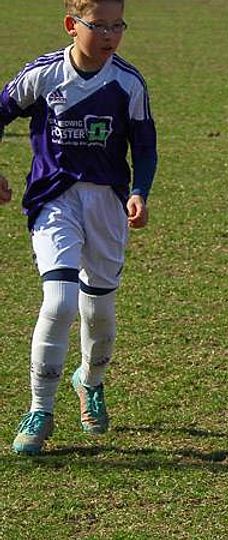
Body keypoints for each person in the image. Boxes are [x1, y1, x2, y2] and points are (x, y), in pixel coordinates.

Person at [1, 0, 158, 455]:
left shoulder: (128, 82)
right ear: (72, 25)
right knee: (59, 301)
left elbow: (145, 146)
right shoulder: (44, 74)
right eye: (99, 26)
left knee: (99, 312)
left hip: (107, 204)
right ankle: (40, 410)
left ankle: (89, 380)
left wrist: (139, 192)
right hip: (54, 199)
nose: (110, 35)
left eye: (117, 25)